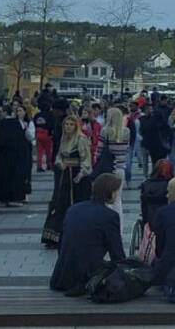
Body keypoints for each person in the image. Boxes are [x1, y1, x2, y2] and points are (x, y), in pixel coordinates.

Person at [49, 172, 125, 294]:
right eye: (115, 191)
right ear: (109, 192)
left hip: (61, 276)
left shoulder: (74, 209)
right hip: (87, 278)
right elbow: (117, 255)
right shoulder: (110, 216)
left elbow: (61, 244)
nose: (117, 195)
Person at [42, 115, 92, 247]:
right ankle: (57, 237)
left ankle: (77, 235)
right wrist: (60, 163)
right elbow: (58, 155)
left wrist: (81, 174)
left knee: (76, 205)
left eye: (71, 124)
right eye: (66, 124)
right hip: (64, 176)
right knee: (60, 204)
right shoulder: (64, 139)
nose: (68, 127)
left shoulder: (81, 140)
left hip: (77, 178)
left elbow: (86, 159)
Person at [93, 107, 130, 231]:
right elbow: (126, 149)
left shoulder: (105, 131)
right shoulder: (126, 131)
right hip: (121, 168)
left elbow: (99, 151)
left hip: (108, 168)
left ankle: (107, 228)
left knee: (106, 200)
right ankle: (119, 229)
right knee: (117, 200)